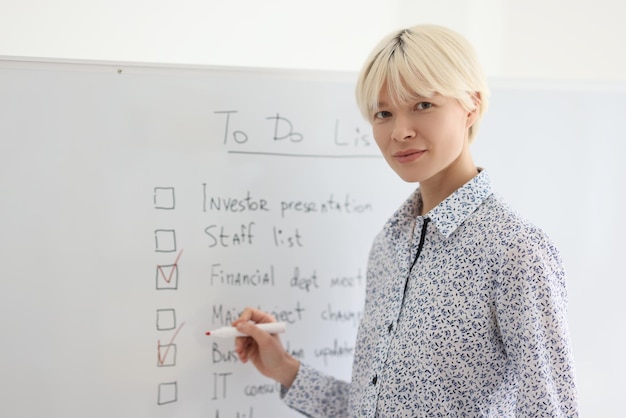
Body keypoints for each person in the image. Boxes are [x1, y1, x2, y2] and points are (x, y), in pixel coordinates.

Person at [232, 24, 579, 417]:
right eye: (383, 113)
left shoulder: (516, 252)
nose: (400, 132)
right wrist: (287, 370)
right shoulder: (390, 245)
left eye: (422, 105)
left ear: (472, 106)